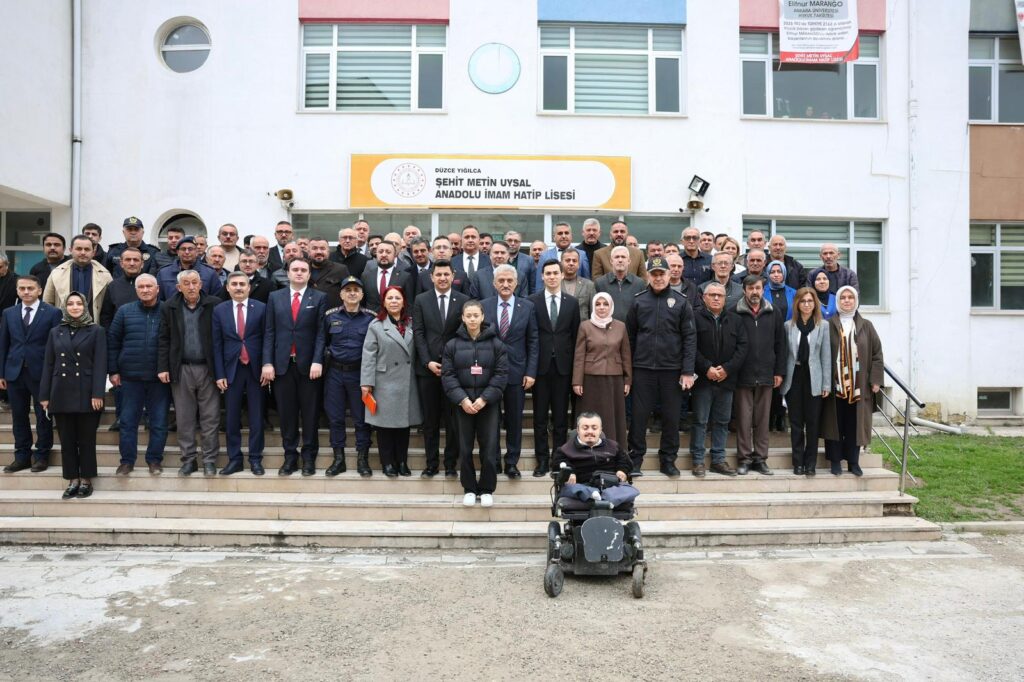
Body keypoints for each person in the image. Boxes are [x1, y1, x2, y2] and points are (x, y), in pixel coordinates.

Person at [626, 257, 696, 477]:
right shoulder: (638, 301)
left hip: (671, 370)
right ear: (648, 276)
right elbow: (629, 338)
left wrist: (687, 371)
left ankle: (668, 460)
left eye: (661, 274)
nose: (658, 278)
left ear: (669, 275)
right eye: (654, 274)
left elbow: (690, 338)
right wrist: (628, 372)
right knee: (639, 418)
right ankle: (635, 459)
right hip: (642, 369)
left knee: (671, 418)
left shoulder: (681, 302)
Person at [262, 258, 327, 476]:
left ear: (309, 274)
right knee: (286, 415)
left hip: (309, 367)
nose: (299, 273)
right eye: (295, 269)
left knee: (310, 414)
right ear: (288, 273)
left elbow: (321, 333)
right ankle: (290, 457)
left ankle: (309, 458)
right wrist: (267, 362)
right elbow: (269, 332)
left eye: (303, 270)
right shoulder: (275, 297)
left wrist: (318, 360)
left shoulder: (319, 297)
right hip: (282, 366)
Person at [38, 292, 106, 498]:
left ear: (85, 306)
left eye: (79, 303)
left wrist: (98, 393)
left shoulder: (96, 330)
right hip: (60, 391)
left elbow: (100, 364)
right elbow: (48, 364)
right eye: (70, 304)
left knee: (86, 439)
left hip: (87, 392)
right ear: (65, 307)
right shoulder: (55, 332)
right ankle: (72, 479)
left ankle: (86, 479)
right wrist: (44, 396)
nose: (75, 307)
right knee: (66, 440)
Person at [441, 299, 508, 508]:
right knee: (465, 447)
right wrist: (463, 399)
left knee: (489, 448)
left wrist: (484, 399)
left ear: (482, 317)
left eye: (475, 315)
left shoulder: (496, 344)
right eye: (468, 316)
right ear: (462, 318)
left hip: (488, 404)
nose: (472, 319)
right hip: (463, 405)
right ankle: (469, 488)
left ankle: (487, 489)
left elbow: (501, 375)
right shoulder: (452, 345)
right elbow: (448, 376)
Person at [158, 270, 222, 477]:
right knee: (184, 418)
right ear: (179, 287)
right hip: (181, 369)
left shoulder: (214, 304)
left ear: (201, 284)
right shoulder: (169, 306)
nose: (192, 287)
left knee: (210, 417)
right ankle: (188, 460)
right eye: (186, 283)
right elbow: (163, 339)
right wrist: (163, 367)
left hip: (208, 369)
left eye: (195, 282)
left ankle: (209, 460)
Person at [107, 274, 169, 476]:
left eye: (149, 286)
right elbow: (113, 341)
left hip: (159, 378)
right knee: (127, 422)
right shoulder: (124, 311)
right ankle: (127, 461)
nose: (145, 290)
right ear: (136, 290)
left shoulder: (168, 310)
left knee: (159, 422)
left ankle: (154, 460)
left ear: (157, 289)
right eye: (141, 287)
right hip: (129, 377)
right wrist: (113, 370)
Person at [412, 260, 468, 478]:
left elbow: (464, 334)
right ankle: (431, 464)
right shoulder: (421, 300)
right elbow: (418, 333)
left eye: (446, 274)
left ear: (453, 276)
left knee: (453, 421)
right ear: (431, 277)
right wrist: (427, 361)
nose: (443, 278)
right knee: (430, 421)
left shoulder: (463, 300)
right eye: (439, 274)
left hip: (454, 371)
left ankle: (451, 464)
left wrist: (450, 363)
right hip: (428, 371)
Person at [0, 276, 62, 473]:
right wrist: (1, 373)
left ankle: (42, 455)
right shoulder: (9, 313)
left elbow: (57, 346)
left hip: (42, 372)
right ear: (17, 291)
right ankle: (22, 456)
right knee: (19, 416)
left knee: (43, 416)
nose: (26, 292)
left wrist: (55, 374)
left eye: (30, 288)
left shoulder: (53, 313)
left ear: (39, 290)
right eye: (22, 288)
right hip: (14, 372)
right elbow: (3, 344)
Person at [482, 264, 538, 478]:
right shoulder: (484, 306)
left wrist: (531, 372)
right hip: (490, 373)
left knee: (515, 420)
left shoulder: (528, 307)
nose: (505, 284)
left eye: (509, 281)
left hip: (517, 372)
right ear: (494, 283)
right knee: (491, 421)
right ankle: (494, 460)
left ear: (516, 283)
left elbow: (533, 341)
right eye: (501, 281)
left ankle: (512, 462)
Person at [822, 286, 883, 477]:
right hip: (835, 385)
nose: (847, 300)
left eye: (850, 297)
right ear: (838, 302)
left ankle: (853, 462)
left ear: (856, 301)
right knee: (834, 423)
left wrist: (875, 380)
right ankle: (835, 461)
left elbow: (877, 354)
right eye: (843, 298)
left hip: (859, 386)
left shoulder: (866, 326)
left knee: (854, 425)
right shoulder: (827, 325)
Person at [361, 286, 421, 478]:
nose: (394, 301)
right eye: (390, 298)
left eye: (397, 298)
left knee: (404, 425)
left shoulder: (412, 324)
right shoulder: (376, 325)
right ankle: (387, 462)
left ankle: (402, 461)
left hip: (407, 381)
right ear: (384, 303)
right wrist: (366, 383)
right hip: (383, 381)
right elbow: (368, 356)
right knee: (384, 426)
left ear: (404, 302)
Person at [212, 272, 268, 476]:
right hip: (231, 370)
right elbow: (216, 344)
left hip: (256, 370)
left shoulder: (261, 308)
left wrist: (267, 365)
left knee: (256, 417)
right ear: (227, 288)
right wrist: (219, 373)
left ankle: (255, 459)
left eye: (242, 284)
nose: (238, 287)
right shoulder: (219, 310)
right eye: (234, 284)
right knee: (231, 418)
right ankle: (235, 459)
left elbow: (268, 338)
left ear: (249, 287)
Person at [529, 259, 581, 477]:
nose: (551, 276)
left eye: (554, 273)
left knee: (560, 418)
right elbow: (530, 336)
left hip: (563, 368)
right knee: (540, 418)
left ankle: (558, 459)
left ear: (561, 275)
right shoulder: (532, 301)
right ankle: (541, 460)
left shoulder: (572, 303)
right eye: (547, 273)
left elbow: (576, 337)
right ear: (542, 276)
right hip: (540, 368)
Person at [690, 283, 747, 478]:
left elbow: (742, 348)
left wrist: (727, 369)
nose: (716, 298)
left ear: (725, 299)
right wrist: (706, 368)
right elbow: (691, 346)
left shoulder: (735, 320)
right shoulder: (694, 318)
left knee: (722, 422)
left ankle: (718, 460)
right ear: (704, 297)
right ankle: (698, 461)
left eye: (720, 295)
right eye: (712, 295)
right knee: (700, 421)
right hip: (703, 380)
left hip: (726, 380)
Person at [733, 276, 786, 476]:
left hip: (766, 373)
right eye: (750, 288)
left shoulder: (774, 312)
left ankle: (761, 459)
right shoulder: (735, 311)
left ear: (763, 290)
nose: (754, 292)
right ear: (744, 290)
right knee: (744, 419)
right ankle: (744, 459)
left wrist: (779, 371)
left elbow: (780, 343)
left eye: (758, 288)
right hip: (742, 374)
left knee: (763, 419)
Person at [322, 277, 374, 477]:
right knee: (335, 418)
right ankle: (339, 459)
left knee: (361, 419)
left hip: (359, 374)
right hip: (334, 373)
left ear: (362, 295)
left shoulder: (370, 318)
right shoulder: (330, 316)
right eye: (348, 290)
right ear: (341, 294)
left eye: (356, 290)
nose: (352, 293)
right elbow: (323, 341)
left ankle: (363, 459)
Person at [781, 287, 832, 476]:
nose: (807, 304)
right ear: (797, 304)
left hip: (814, 378)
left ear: (815, 304)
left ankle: (810, 464)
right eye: (803, 301)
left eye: (810, 301)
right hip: (794, 377)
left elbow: (825, 356)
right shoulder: (788, 326)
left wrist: (826, 384)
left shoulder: (823, 326)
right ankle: (798, 463)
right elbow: (785, 355)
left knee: (812, 422)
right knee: (795, 423)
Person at [572, 292, 631, 447]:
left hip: (614, 379)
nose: (601, 307)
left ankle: (613, 450)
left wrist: (627, 380)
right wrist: (577, 381)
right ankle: (586, 450)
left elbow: (625, 354)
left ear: (611, 306)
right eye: (598, 304)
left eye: (605, 304)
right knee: (589, 416)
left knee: (612, 417)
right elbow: (579, 355)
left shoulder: (620, 326)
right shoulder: (585, 326)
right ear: (593, 306)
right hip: (590, 379)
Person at [553, 412, 638, 509]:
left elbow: (624, 461)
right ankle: (601, 498)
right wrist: (569, 472)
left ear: (600, 430)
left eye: (594, 428)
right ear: (578, 430)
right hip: (581, 485)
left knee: (630, 489)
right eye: (585, 428)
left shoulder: (613, 446)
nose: (590, 431)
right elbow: (559, 463)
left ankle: (603, 498)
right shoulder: (565, 449)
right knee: (569, 488)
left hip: (610, 486)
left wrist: (622, 470)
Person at [43, 234, 113, 321]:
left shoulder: (105, 275)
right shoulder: (56, 273)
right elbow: (48, 304)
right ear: (71, 250)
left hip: (93, 326)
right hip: (64, 325)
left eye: (87, 249)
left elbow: (110, 308)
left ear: (93, 252)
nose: (83, 252)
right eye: (79, 249)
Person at [157, 236, 221, 301]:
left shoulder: (209, 273)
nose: (187, 252)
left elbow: (216, 300)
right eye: (183, 249)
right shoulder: (164, 273)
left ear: (196, 252)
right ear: (178, 252)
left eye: (190, 249)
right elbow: (159, 300)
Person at [594, 246, 645, 322]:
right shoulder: (600, 283)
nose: (620, 260)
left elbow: (642, 310)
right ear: (611, 261)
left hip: (631, 328)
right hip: (607, 327)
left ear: (629, 261)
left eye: (623, 257)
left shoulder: (639, 283)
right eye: (617, 257)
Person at [360, 240, 413, 313]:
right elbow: (362, 302)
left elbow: (409, 304)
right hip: (371, 318)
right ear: (376, 254)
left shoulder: (405, 277)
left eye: (388, 252)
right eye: (380, 252)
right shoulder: (366, 276)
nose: (384, 255)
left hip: (395, 318)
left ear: (395, 255)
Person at [534, 222, 590, 289]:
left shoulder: (582, 255)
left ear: (571, 236)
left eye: (566, 233)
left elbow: (587, 281)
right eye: (560, 233)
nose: (563, 236)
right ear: (554, 237)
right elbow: (539, 283)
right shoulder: (544, 256)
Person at [307, 237, 349, 303]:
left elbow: (348, 293)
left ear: (328, 251)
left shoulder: (341, 270)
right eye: (314, 248)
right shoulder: (303, 269)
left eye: (322, 248)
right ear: (308, 252)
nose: (319, 251)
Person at [560, 248, 595, 319]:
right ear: (561, 263)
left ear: (578, 264)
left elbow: (593, 312)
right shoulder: (555, 284)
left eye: (574, 261)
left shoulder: (589, 285)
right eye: (567, 260)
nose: (571, 263)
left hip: (582, 325)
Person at [504, 231, 537, 296]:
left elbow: (533, 286)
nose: (512, 243)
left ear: (520, 243)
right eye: (509, 240)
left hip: (522, 298)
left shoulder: (529, 260)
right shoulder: (499, 259)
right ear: (504, 242)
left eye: (516, 241)